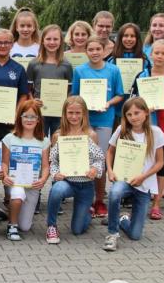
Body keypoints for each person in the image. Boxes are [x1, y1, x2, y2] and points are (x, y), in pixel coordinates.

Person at [103, 97, 164, 251]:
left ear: (146, 112)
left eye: (137, 113)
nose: (133, 117)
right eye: (129, 114)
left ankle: (122, 218)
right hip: (124, 178)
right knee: (115, 192)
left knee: (135, 235)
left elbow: (160, 162)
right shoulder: (122, 130)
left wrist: (143, 177)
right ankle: (112, 233)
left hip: (143, 183)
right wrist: (110, 171)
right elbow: (110, 152)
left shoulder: (155, 132)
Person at [130, 39, 164, 220]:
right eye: (156, 53)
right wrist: (144, 109)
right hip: (144, 129)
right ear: (150, 55)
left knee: (161, 167)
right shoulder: (141, 76)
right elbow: (131, 103)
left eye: (163, 53)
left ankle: (156, 203)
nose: (159, 56)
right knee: (141, 164)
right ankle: (138, 199)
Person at [71, 36, 124, 218]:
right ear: (86, 52)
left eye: (97, 49)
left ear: (104, 51)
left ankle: (99, 200)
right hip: (84, 121)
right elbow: (74, 96)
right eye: (90, 49)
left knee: (99, 162)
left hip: (104, 120)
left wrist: (109, 103)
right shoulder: (79, 71)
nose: (94, 53)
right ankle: (85, 200)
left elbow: (120, 95)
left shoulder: (113, 70)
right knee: (83, 160)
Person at [43, 96, 104, 244]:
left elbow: (98, 159)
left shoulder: (91, 135)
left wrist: (95, 170)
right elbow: (54, 161)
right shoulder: (58, 135)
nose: (74, 116)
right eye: (70, 112)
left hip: (85, 185)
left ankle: (87, 214)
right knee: (57, 190)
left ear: (84, 114)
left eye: (78, 113)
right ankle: (51, 226)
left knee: (77, 230)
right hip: (68, 182)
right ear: (64, 113)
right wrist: (55, 173)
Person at [1, 99, 50, 240]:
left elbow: (46, 166)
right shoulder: (9, 138)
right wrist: (5, 175)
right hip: (14, 181)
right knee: (17, 193)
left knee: (25, 227)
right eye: (25, 116)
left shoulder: (44, 141)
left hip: (32, 185)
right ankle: (11, 225)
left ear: (38, 119)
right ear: (19, 118)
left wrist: (43, 179)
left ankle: (12, 212)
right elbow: (4, 163)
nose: (29, 119)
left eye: (33, 116)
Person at [27, 24, 73, 137]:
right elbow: (28, 89)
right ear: (42, 41)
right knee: (39, 139)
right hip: (39, 110)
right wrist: (32, 101)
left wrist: (65, 104)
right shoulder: (33, 64)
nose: (52, 42)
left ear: (61, 41)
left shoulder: (66, 65)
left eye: (55, 39)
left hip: (59, 112)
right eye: (48, 39)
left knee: (57, 140)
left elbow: (70, 90)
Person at [106, 23, 148, 130]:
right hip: (116, 109)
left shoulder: (144, 60)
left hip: (137, 110)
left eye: (132, 36)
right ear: (120, 38)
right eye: (125, 36)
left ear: (137, 39)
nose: (129, 39)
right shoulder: (112, 60)